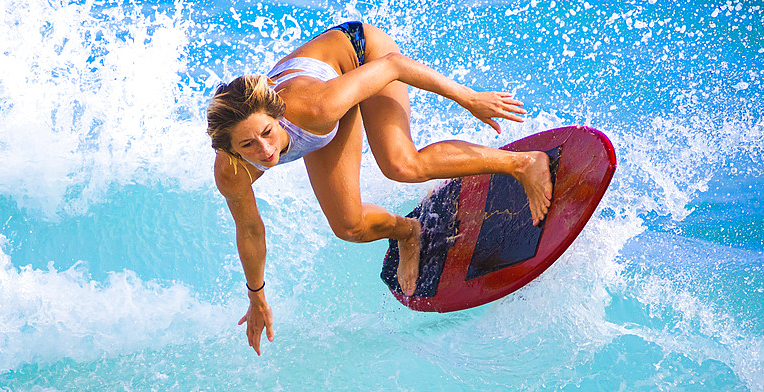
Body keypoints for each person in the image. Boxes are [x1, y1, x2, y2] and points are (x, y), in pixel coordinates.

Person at [207, 21, 552, 356]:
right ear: (230, 149)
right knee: (349, 226)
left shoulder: (315, 107)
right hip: (326, 101)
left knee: (401, 164)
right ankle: (408, 232)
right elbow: (250, 230)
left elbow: (393, 66)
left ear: (275, 115)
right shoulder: (232, 171)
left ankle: (523, 164)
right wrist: (257, 296)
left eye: (267, 133)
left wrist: (468, 98)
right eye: (248, 145)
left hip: (363, 54)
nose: (264, 151)